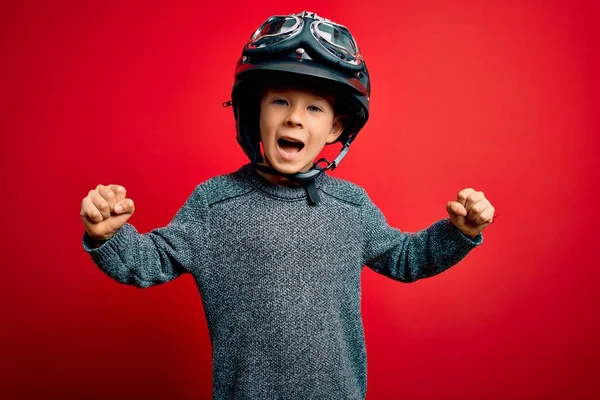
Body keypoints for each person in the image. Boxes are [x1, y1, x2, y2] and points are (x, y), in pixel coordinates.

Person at [80, 11, 496, 400]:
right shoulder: (215, 203)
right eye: (280, 101)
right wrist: (109, 237)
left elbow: (406, 258)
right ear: (254, 112)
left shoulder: (351, 207)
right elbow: (151, 261)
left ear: (335, 127)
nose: (295, 118)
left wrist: (460, 233)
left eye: (314, 108)